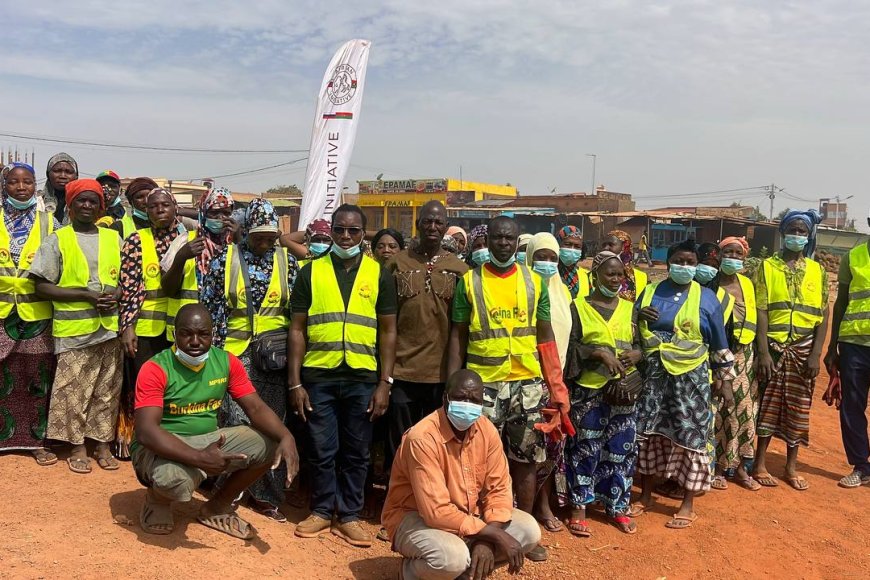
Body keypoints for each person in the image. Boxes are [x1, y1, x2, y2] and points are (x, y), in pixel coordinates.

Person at [448, 215, 574, 561]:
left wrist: (557, 388)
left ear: (517, 243)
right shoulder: (469, 282)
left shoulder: (534, 282)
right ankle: (477, 532)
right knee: (475, 463)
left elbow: (546, 338)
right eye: (498, 238)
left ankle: (525, 532)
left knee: (526, 462)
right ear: (488, 241)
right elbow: (457, 336)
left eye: (510, 239)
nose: (504, 244)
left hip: (526, 386)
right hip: (482, 388)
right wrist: (451, 384)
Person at [132, 304, 299, 538]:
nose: (195, 341)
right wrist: (200, 458)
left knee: (269, 444)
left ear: (213, 334)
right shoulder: (156, 368)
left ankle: (217, 507)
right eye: (186, 333)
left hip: (208, 443)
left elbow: (256, 407)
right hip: (159, 449)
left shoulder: (226, 362)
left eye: (203, 334)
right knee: (174, 479)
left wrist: (286, 436)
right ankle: (157, 502)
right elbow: (146, 432)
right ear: (174, 333)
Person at [288, 203, 398, 547]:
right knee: (321, 448)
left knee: (357, 451)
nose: (346, 236)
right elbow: (297, 329)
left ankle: (349, 515)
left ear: (363, 233)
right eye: (340, 229)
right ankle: (321, 510)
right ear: (331, 231)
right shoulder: (310, 272)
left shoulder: (378, 273)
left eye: (353, 230)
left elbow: (389, 332)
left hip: (363, 376)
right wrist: (295, 382)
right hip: (319, 374)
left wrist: (385, 382)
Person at [382, 369, 541, 580]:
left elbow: (499, 490)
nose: (467, 404)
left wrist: (485, 541)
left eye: (474, 399)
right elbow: (435, 512)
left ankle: (465, 573)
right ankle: (409, 573)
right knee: (452, 558)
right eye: (460, 397)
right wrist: (493, 534)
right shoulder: (422, 438)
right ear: (445, 399)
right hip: (415, 517)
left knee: (529, 531)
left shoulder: (487, 430)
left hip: (469, 516)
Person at [199, 199, 297, 521]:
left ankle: (267, 495)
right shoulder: (224, 260)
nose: (265, 243)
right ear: (247, 232)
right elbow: (211, 308)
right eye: (259, 237)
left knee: (272, 425)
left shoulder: (287, 261)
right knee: (236, 425)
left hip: (273, 359)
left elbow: (295, 313)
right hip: (235, 355)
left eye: (271, 237)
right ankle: (228, 490)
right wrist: (214, 356)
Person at [632, 239, 734, 529]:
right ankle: (646, 495)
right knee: (648, 431)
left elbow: (718, 342)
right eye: (679, 261)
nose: (684, 267)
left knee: (692, 435)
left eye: (690, 262)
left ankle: (687, 503)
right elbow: (631, 329)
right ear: (668, 263)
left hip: (691, 378)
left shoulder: (706, 298)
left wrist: (724, 381)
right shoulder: (650, 291)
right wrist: (638, 315)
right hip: (654, 376)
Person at [29, 178, 124, 474]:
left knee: (107, 389)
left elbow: (124, 281)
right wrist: (85, 295)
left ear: (100, 207)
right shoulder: (58, 239)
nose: (87, 206)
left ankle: (102, 443)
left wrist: (117, 295)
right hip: (74, 330)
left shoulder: (113, 238)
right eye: (81, 201)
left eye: (92, 201)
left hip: (108, 328)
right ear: (69, 206)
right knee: (73, 391)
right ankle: (77, 445)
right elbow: (41, 286)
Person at [383, 201, 469, 476]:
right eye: (427, 221)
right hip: (402, 370)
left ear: (445, 227)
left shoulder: (459, 269)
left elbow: (461, 329)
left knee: (435, 442)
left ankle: (428, 500)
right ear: (418, 224)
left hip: (440, 374)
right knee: (398, 441)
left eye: (438, 222)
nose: (432, 227)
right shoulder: (397, 264)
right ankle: (396, 499)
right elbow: (385, 321)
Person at [562, 251, 643, 537]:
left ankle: (617, 506)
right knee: (585, 448)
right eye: (609, 273)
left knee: (620, 450)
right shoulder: (578, 307)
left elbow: (643, 345)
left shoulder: (630, 309)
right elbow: (569, 347)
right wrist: (596, 353)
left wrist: (637, 353)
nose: (616, 279)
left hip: (623, 392)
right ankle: (579, 507)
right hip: (590, 392)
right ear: (595, 275)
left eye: (620, 274)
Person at [753, 210, 828, 491]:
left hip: (803, 348)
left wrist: (816, 353)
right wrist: (762, 352)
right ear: (783, 233)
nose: (797, 235)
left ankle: (791, 466)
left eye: (802, 231)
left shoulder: (817, 270)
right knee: (767, 404)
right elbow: (761, 309)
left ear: (809, 236)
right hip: (773, 346)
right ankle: (759, 462)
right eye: (793, 230)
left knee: (799, 408)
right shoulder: (766, 267)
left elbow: (823, 312)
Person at [115, 188, 193, 459]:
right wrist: (128, 327)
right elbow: (129, 288)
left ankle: (171, 441)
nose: (159, 210)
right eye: (153, 206)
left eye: (165, 205)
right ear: (145, 212)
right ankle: (139, 444)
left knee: (176, 388)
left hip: (181, 332)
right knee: (143, 387)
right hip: (146, 330)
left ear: (175, 208)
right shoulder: (137, 240)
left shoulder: (190, 239)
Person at [0, 163, 60, 465]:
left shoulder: (50, 222)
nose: (21, 187)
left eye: (27, 182)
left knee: (37, 375)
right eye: (13, 182)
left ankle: (36, 440)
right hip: (1, 312)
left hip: (37, 314)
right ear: (5, 186)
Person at [524, 232, 573, 535]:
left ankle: (547, 502)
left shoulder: (563, 293)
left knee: (554, 443)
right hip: (529, 378)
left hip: (558, 378)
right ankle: (533, 507)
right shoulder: (523, 289)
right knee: (531, 446)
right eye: (540, 257)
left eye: (552, 258)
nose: (546, 263)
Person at [710, 236, 761, 491]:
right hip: (718, 359)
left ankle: (741, 466)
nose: (733, 257)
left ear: (744, 257)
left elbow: (758, 317)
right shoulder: (710, 284)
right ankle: (718, 467)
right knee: (719, 411)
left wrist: (761, 353)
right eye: (727, 252)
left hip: (745, 356)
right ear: (718, 256)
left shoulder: (747, 284)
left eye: (738, 253)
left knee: (745, 412)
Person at [825, 216, 870, 488]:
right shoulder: (853, 257)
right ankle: (861, 466)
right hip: (854, 345)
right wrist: (832, 348)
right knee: (852, 406)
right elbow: (840, 304)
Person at [162, 186, 237, 297]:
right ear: (203, 213)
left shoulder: (235, 244)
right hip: (189, 313)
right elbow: (168, 290)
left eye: (226, 213)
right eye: (214, 213)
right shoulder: (185, 241)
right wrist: (181, 258)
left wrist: (238, 241)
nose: (221, 218)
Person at [601, 230, 647, 302]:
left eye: (611, 245)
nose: (605, 248)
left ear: (624, 247)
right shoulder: (594, 275)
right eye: (604, 245)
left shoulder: (642, 277)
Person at [40, 153, 78, 223]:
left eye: (68, 172)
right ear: (48, 174)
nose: (63, 176)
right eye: (57, 171)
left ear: (76, 176)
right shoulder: (37, 202)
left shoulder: (82, 202)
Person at [557, 225, 589, 299]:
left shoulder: (585, 276)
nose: (572, 249)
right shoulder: (549, 273)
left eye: (577, 246)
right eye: (568, 244)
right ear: (558, 245)